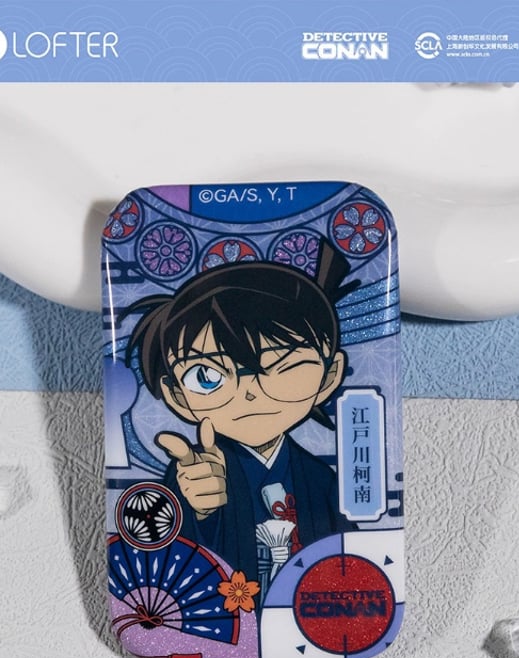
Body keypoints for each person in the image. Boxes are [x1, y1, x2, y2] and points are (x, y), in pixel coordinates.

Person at [123, 239, 359, 592]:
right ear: (177, 396)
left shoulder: (321, 480)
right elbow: (161, 562)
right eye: (207, 376)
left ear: (328, 376)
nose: (250, 391)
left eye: (283, 366)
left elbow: (350, 565)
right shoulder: (194, 473)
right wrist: (199, 511)